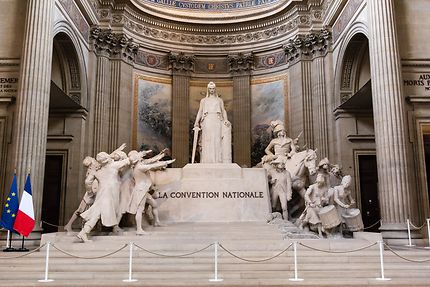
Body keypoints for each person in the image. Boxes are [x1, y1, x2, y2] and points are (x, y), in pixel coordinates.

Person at [77, 151, 130, 242]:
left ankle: (84, 232)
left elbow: (87, 182)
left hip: (102, 194)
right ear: (107, 159)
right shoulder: (113, 166)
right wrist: (140, 155)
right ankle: (84, 232)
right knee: (96, 213)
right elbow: (128, 161)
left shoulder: (97, 171)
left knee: (96, 213)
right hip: (108, 195)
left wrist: (90, 192)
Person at [127, 150, 175, 235]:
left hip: (144, 190)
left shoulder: (140, 164)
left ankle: (156, 222)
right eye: (138, 155)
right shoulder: (139, 167)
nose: (141, 155)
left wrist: (161, 155)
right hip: (140, 190)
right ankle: (139, 229)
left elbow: (151, 161)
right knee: (139, 210)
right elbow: (152, 166)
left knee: (154, 204)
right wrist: (166, 162)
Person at [193, 82, 231, 163]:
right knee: (207, 140)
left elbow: (223, 110)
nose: (212, 90)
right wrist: (196, 122)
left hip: (217, 120)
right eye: (210, 88)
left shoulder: (219, 100)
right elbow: (200, 111)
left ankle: (217, 160)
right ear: (208, 89)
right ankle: (206, 160)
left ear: (215, 89)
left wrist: (226, 119)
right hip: (207, 120)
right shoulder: (203, 100)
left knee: (217, 139)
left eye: (213, 88)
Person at [64, 156, 99, 233]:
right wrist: (91, 193)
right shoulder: (91, 171)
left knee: (87, 211)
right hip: (90, 195)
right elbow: (88, 183)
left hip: (93, 193)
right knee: (81, 210)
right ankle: (69, 225)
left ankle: (72, 225)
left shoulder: (94, 168)